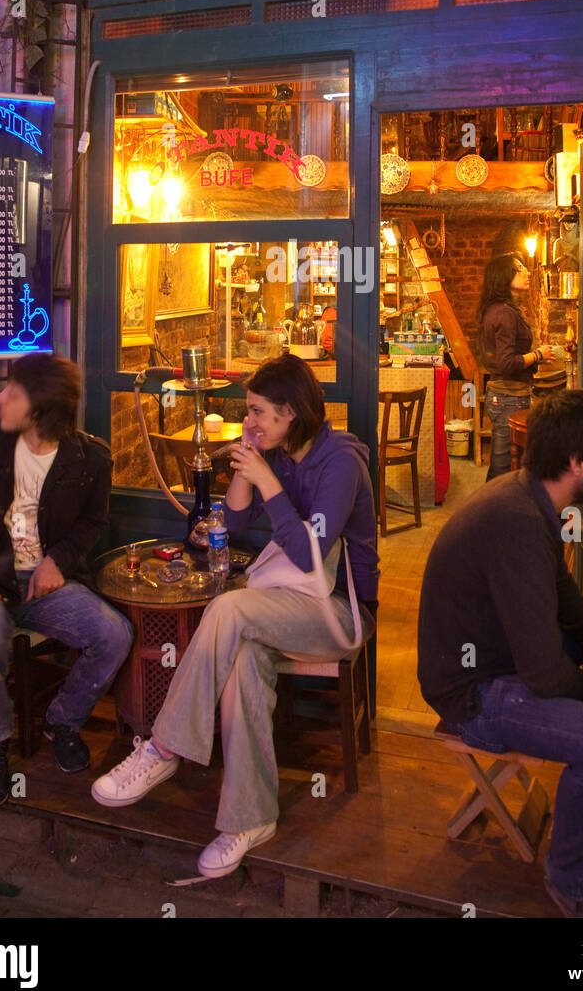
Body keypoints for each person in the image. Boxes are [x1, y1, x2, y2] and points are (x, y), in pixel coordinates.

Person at [91, 352, 379, 878]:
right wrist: (246, 462)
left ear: (290, 412)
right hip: (291, 605)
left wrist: (269, 480)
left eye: (258, 413)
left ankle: (163, 746)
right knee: (244, 661)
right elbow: (241, 518)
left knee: (227, 607)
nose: (248, 421)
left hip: (341, 612)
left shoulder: (340, 461)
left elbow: (309, 555)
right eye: (247, 412)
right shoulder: (282, 450)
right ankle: (249, 821)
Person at [417, 390, 583, 919]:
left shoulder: (528, 493)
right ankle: (573, 882)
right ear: (577, 464)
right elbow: (542, 671)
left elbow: (560, 587)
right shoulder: (516, 520)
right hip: (475, 692)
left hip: (503, 650)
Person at [0, 353, 133, 807]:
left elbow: (92, 522)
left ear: (40, 409)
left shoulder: (90, 458)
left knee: (114, 634)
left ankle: (62, 720)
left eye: (13, 391)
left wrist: (58, 562)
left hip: (43, 585)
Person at [478, 252, 555, 479]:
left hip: (503, 396)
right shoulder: (504, 313)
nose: (527, 273)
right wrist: (538, 355)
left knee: (507, 465)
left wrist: (535, 357)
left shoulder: (499, 309)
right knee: (502, 469)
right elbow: (507, 363)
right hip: (507, 397)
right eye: (519, 269)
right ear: (504, 277)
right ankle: (490, 513)